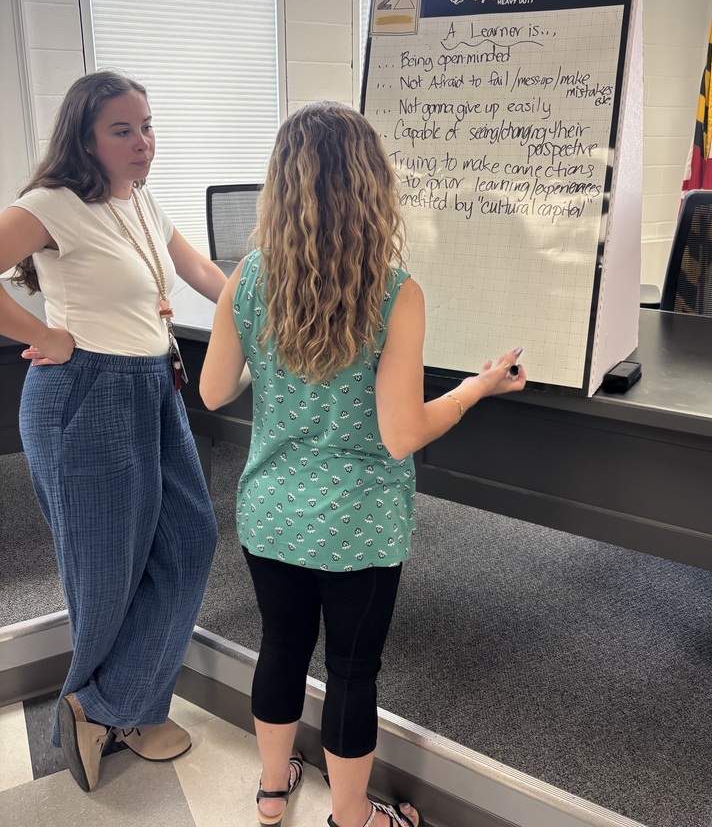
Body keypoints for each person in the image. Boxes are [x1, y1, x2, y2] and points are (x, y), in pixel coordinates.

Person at [199, 101, 526, 827]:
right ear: (371, 184)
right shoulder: (392, 291)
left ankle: (271, 791)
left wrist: (273, 352)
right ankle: (354, 819)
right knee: (351, 670)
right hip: (359, 521)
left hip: (272, 513)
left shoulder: (248, 279)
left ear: (279, 185)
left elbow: (215, 390)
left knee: (281, 648)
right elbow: (403, 433)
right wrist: (475, 388)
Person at [0, 70, 227, 793]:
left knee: (190, 542)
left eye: (148, 126)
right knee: (107, 572)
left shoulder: (140, 199)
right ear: (85, 138)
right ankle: (114, 707)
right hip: (85, 394)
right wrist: (44, 334)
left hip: (152, 387)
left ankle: (111, 704)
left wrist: (273, 303)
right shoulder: (50, 204)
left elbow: (202, 273)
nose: (142, 143)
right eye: (122, 130)